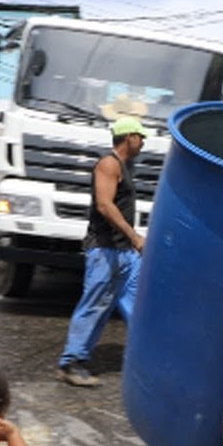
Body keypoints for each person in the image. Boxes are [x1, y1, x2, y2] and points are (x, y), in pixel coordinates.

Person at [56, 115, 148, 388]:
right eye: (140, 136)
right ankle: (71, 362)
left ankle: (150, 357)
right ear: (128, 137)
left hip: (125, 253)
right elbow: (105, 206)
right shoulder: (108, 164)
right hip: (106, 250)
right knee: (95, 305)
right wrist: (134, 237)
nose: (144, 141)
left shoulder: (126, 166)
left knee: (137, 303)